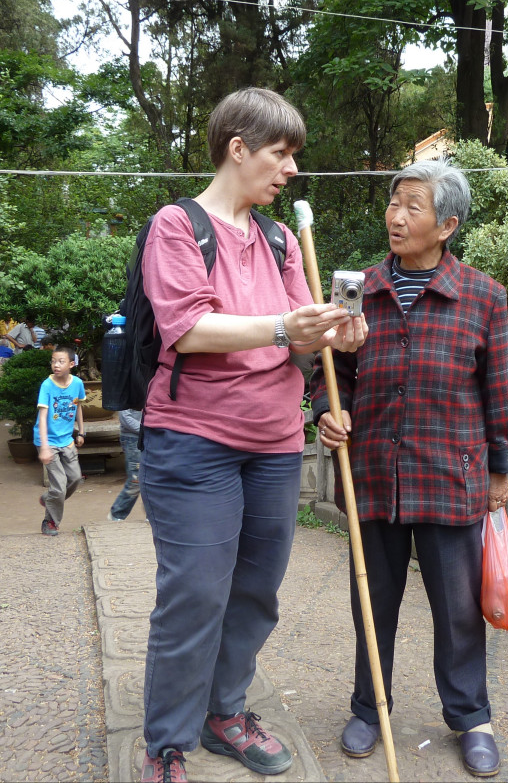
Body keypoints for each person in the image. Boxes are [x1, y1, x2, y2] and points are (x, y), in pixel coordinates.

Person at [137, 87, 367, 783]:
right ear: (238, 149)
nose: (291, 169)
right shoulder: (176, 226)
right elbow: (188, 328)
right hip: (194, 442)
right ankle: (167, 743)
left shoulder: (279, 238)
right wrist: (281, 327)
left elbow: (300, 337)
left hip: (275, 443)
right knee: (195, 595)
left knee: (257, 591)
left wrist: (336, 334)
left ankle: (225, 711)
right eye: (281, 153)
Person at [312, 160, 508, 779]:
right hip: (372, 471)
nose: (396, 217)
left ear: (447, 225)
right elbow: (331, 372)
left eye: (413, 206)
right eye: (393, 203)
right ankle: (368, 708)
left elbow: (496, 392)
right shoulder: (356, 290)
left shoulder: (483, 296)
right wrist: (328, 411)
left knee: (458, 609)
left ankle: (471, 717)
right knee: (371, 601)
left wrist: (500, 472)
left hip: (450, 476)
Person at [36, 343, 87, 537]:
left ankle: (49, 498)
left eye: (61, 361)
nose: (56, 365)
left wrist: (81, 432)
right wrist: (44, 447)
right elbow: (42, 417)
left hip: (67, 440)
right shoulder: (47, 385)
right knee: (58, 486)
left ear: (71, 364)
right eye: (53, 361)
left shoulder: (78, 383)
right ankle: (50, 522)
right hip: (48, 441)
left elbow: (78, 406)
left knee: (75, 478)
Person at [108, 409, 143, 521]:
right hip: (133, 438)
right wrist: (146, 429)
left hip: (151, 436)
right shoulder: (127, 397)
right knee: (135, 480)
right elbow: (125, 418)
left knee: (153, 478)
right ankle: (116, 515)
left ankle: (153, 516)